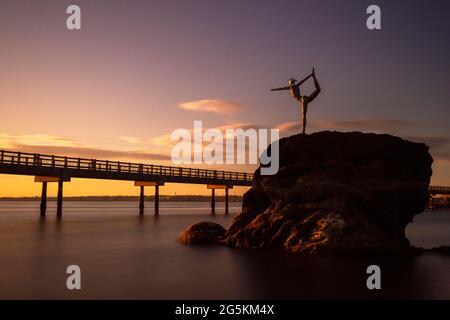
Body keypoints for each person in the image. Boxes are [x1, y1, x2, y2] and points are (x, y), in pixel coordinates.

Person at [270, 68, 321, 134]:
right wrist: (273, 89)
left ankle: (303, 131)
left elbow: (304, 80)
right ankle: (303, 131)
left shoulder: (295, 86)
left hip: (303, 99)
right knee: (318, 90)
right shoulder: (290, 87)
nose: (293, 85)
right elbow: (281, 88)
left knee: (304, 115)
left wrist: (311, 75)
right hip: (305, 99)